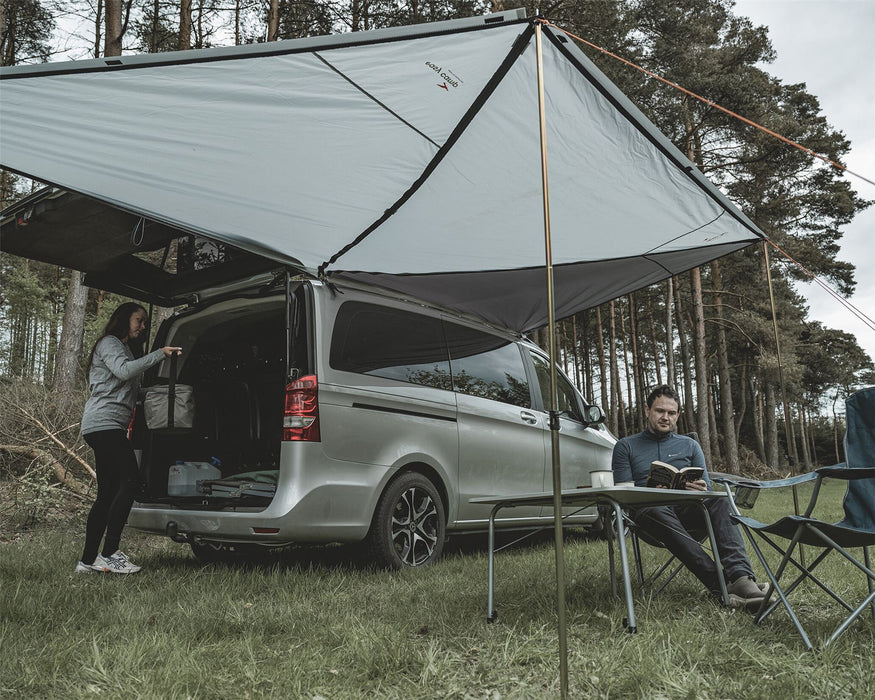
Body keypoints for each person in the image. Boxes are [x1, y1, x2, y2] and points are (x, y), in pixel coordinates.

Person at [611, 384, 767, 608]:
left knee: (721, 500)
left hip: (688, 511)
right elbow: (623, 494)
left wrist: (701, 488)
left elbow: (707, 489)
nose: (666, 417)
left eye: (671, 413)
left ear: (678, 415)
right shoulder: (625, 446)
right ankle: (721, 585)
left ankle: (742, 579)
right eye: (660, 411)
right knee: (656, 511)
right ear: (647, 411)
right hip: (650, 516)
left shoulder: (690, 445)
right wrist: (651, 492)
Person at [75, 302, 181, 574]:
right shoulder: (109, 343)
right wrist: (160, 353)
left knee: (107, 493)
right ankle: (110, 552)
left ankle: (87, 562)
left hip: (107, 426)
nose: (143, 326)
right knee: (130, 480)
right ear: (124, 319)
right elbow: (123, 371)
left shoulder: (125, 350)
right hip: (103, 424)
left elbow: (129, 390)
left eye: (145, 322)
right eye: (139, 320)